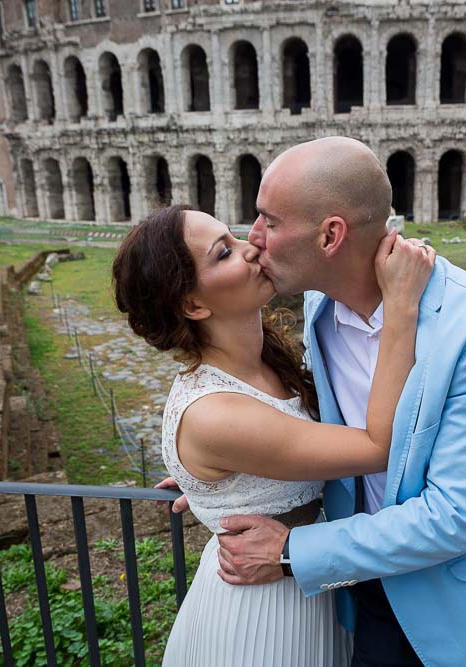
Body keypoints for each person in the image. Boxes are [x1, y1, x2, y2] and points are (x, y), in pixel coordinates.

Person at [214, 137, 466, 667]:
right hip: (371, 591)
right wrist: (234, 470)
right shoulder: (321, 304)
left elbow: (457, 515)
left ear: (330, 236)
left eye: (269, 221)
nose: (252, 240)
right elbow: (341, 427)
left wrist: (291, 552)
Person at [112, 205, 436, 666]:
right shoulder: (216, 415)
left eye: (235, 235)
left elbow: (282, 446)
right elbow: (378, 447)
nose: (251, 248)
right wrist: (401, 302)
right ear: (194, 305)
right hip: (262, 611)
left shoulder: (265, 360)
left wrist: (217, 490)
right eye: (224, 253)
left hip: (305, 578)